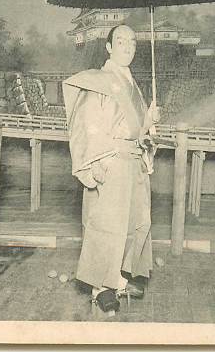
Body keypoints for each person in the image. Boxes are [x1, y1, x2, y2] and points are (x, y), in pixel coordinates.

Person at [62, 25, 160, 312]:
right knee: (107, 222)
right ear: (108, 47)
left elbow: (136, 130)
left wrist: (149, 121)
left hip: (133, 160)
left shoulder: (132, 85)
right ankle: (100, 287)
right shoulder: (99, 81)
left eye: (132, 41)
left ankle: (117, 278)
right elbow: (89, 125)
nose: (127, 46)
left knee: (133, 220)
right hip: (111, 159)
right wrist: (96, 162)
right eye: (120, 41)